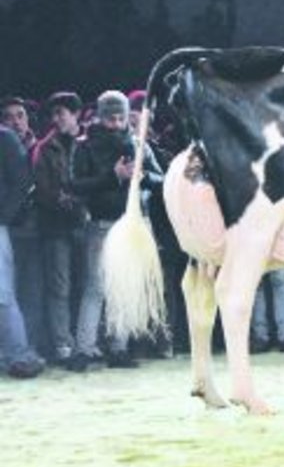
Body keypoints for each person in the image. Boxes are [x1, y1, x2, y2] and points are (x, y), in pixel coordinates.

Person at [70, 90, 163, 368]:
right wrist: (113, 176)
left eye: (121, 117)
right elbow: (75, 184)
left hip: (132, 223)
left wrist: (141, 176)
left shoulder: (138, 143)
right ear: (100, 116)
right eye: (111, 117)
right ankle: (84, 349)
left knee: (124, 286)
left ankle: (119, 348)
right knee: (96, 287)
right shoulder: (84, 146)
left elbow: (161, 178)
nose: (117, 122)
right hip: (101, 223)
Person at [31, 92, 87, 370]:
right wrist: (65, 200)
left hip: (87, 224)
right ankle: (64, 345)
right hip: (57, 227)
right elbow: (43, 190)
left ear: (76, 114)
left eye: (61, 113)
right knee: (60, 288)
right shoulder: (45, 147)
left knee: (87, 286)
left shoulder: (90, 142)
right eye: (53, 114)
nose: (56, 119)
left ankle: (87, 343)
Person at [0, 122, 45, 378]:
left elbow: (22, 182)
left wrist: (3, 216)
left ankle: (18, 356)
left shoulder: (4, 138)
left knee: (2, 295)